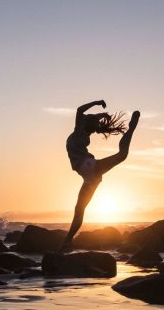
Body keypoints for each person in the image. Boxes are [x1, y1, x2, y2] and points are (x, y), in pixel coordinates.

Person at [59, 100, 140, 252]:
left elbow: (79, 110)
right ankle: (67, 243)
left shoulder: (79, 131)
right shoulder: (82, 131)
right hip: (89, 176)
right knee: (79, 209)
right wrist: (101, 113)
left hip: (87, 166)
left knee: (122, 155)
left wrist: (97, 103)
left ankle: (132, 128)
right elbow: (85, 115)